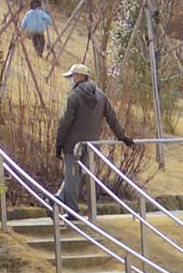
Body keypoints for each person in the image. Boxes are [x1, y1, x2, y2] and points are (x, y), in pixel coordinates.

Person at [54, 64, 133, 211]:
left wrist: (59, 144)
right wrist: (122, 137)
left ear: (79, 76)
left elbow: (65, 122)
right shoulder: (101, 96)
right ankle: (59, 199)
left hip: (73, 144)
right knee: (80, 175)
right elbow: (112, 118)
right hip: (92, 146)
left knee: (72, 175)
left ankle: (71, 209)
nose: (70, 79)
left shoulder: (74, 96)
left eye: (71, 76)